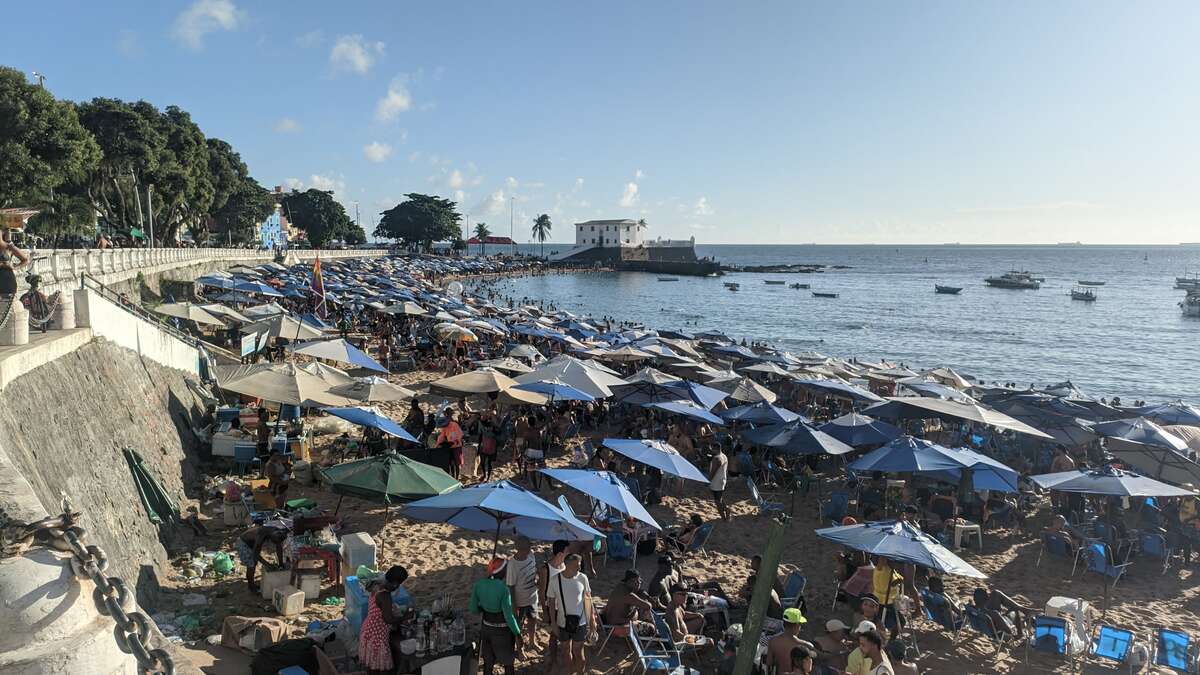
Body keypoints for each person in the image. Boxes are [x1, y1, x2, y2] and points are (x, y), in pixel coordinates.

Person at [544, 554, 596, 675]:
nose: (579, 567)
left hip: (580, 622)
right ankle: (569, 672)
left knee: (578, 652)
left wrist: (592, 621)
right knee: (566, 650)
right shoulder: (554, 580)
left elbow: (588, 600)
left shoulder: (583, 578)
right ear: (567, 565)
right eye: (577, 565)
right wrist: (553, 623)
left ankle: (580, 672)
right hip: (562, 622)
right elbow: (551, 604)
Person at [470, 557, 521, 675]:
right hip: (502, 632)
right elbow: (509, 616)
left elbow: (473, 609)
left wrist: (484, 608)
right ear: (503, 572)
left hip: (486, 628)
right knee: (508, 663)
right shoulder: (504, 589)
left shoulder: (479, 585)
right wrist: (517, 633)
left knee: (488, 663)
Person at [359, 565, 407, 675]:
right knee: (381, 667)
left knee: (371, 665)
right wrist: (405, 617)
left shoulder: (377, 585)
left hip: (368, 630)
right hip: (377, 635)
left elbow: (379, 609)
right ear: (395, 583)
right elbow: (388, 619)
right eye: (399, 584)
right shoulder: (385, 596)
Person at [537, 539, 570, 671]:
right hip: (552, 607)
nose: (570, 553)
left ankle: (559, 658)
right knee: (553, 635)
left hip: (564, 606)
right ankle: (553, 659)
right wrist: (545, 611)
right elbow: (541, 592)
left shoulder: (565, 566)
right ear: (560, 553)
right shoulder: (545, 569)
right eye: (568, 551)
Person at [505, 536, 540, 653]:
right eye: (526, 548)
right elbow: (510, 586)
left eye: (529, 547)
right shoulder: (512, 565)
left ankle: (532, 642)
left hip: (533, 597)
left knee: (533, 619)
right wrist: (514, 605)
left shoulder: (531, 555)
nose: (529, 549)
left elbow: (534, 571)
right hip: (520, 601)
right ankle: (520, 649)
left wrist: (537, 578)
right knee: (518, 625)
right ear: (519, 549)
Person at [237, 525, 288, 592]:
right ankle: (251, 586)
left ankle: (251, 584)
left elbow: (279, 548)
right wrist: (267, 564)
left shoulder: (278, 532)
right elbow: (255, 554)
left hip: (252, 543)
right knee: (251, 565)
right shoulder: (261, 535)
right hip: (244, 543)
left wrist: (281, 563)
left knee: (254, 562)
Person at [766, 608, 814, 673]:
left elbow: (769, 663)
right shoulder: (805, 646)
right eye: (800, 624)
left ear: (784, 623)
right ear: (797, 625)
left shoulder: (772, 641)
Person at [437, 409, 465, 479]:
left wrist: (455, 441)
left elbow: (460, 435)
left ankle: (457, 477)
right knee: (451, 463)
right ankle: (453, 477)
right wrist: (437, 445)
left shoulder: (454, 425)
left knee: (457, 463)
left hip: (457, 446)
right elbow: (441, 437)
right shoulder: (445, 427)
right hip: (450, 446)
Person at [0, 230, 29, 298]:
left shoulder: (9, 247)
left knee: (7, 306)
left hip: (7, 281)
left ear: (2, 232)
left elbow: (25, 260)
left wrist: (15, 267)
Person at [709, 446, 730, 521]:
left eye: (712, 449)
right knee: (720, 498)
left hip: (716, 482)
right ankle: (727, 510)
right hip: (722, 480)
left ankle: (724, 518)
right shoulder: (724, 456)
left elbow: (713, 471)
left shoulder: (716, 459)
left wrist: (709, 480)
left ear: (716, 449)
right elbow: (726, 470)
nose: (711, 450)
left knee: (717, 501)